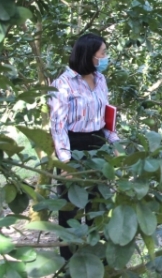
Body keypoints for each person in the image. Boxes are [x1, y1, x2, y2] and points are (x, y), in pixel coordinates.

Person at [48, 33, 119, 260]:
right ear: (89, 55)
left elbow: (106, 116)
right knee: (71, 209)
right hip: (73, 146)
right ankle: (70, 264)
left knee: (98, 205)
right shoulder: (62, 84)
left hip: (98, 145)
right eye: (102, 54)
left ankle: (99, 262)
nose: (105, 57)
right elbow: (58, 126)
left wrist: (113, 144)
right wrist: (66, 162)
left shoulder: (100, 80)